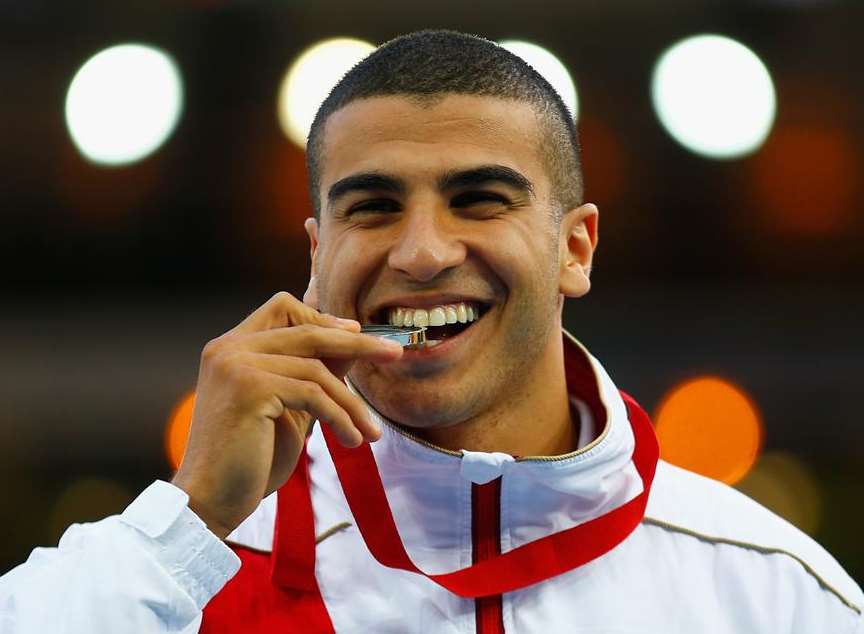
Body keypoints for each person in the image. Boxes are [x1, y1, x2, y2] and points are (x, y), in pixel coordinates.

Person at [1, 29, 861, 634]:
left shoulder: (770, 590)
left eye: (479, 199)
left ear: (574, 247)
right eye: (373, 208)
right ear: (317, 253)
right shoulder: (187, 575)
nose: (420, 253)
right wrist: (187, 524)